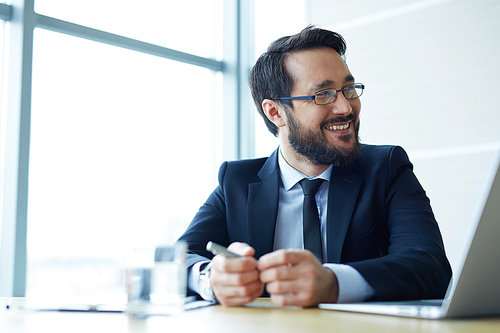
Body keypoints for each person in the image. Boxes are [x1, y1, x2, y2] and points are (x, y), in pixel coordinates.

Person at [177, 26, 452, 307]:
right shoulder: (236, 181)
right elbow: (180, 257)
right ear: (275, 113)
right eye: (323, 95)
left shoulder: (386, 168)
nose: (345, 107)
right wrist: (211, 278)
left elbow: (430, 267)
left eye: (348, 89)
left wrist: (332, 283)